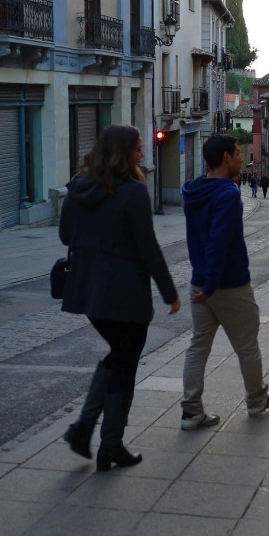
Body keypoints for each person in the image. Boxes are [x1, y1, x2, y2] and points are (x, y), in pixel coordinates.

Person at [59, 124, 180, 471]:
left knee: (118, 358)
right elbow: (148, 248)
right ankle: (103, 440)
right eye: (139, 148)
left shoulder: (76, 189)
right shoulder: (133, 192)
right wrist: (169, 292)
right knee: (124, 362)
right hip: (126, 294)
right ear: (124, 153)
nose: (143, 154)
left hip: (88, 292)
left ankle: (91, 434)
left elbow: (66, 235)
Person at [180, 135, 269, 429]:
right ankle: (257, 400)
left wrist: (204, 285)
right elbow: (218, 242)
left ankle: (191, 411)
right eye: (237, 153)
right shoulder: (227, 196)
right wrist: (212, 284)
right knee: (247, 346)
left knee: (198, 347)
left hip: (199, 283)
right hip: (228, 285)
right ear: (225, 158)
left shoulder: (194, 191)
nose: (241, 158)